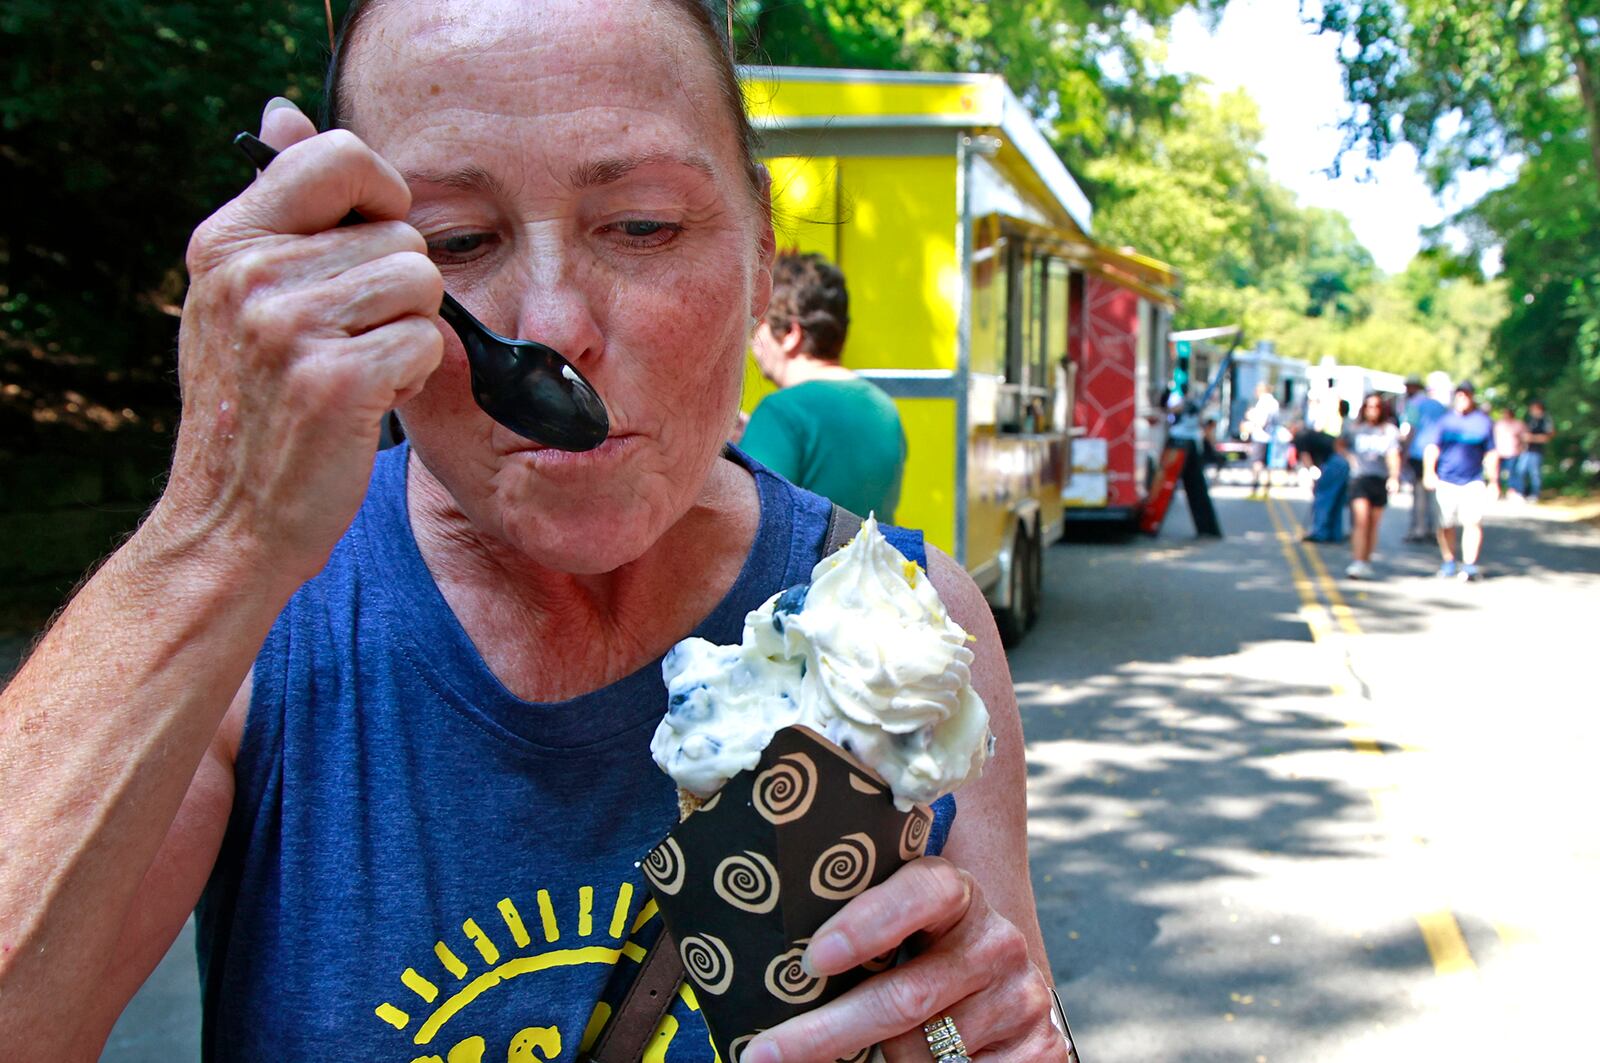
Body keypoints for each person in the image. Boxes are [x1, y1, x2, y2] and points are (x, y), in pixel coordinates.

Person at [0, 4, 1074, 1061]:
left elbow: (986, 1017)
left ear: (759, 245)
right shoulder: (265, 624)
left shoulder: (917, 626)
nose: (553, 325)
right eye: (455, 239)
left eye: (643, 225)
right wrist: (216, 526)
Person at [741, 252, 906, 521]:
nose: (751, 344)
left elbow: (749, 517)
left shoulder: (780, 412)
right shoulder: (883, 406)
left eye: (757, 325)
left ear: (789, 334)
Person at [1423, 381, 1498, 581]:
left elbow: (1491, 453)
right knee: (1445, 523)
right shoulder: (1445, 421)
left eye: (1467, 395)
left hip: (1473, 479)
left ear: (1472, 397)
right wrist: (1429, 473)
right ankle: (1449, 560)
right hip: (1447, 479)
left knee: (1472, 521)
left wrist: (1494, 481)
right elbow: (1432, 448)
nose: (1463, 398)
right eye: (1460, 394)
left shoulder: (1483, 422)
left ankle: (1469, 564)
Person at [1341, 394, 1402, 579]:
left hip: (1379, 479)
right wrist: (1350, 459)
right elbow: (1340, 444)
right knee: (1361, 520)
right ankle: (1357, 561)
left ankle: (1366, 560)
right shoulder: (1356, 429)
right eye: (1369, 406)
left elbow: (1393, 455)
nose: (1372, 410)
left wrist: (1394, 477)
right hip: (1360, 478)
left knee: (1373, 525)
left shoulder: (1389, 431)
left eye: (1376, 407)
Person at [1400, 371, 1450, 543]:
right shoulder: (1439, 406)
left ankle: (1419, 529)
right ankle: (1434, 527)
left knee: (1420, 492)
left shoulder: (1414, 404)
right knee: (1433, 493)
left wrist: (1404, 452)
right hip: (1438, 451)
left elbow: (1410, 429)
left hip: (1419, 452)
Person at [1294, 421, 1347, 543]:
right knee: (1336, 500)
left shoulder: (1300, 438)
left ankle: (1320, 532)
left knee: (1323, 498)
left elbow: (1305, 457)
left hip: (1332, 463)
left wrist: (1314, 476)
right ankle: (1335, 533)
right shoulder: (1312, 434)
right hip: (1340, 460)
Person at [1242, 382, 1281, 496]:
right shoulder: (1274, 402)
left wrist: (1251, 417)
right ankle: (1266, 487)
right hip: (1271, 436)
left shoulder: (1263, 402)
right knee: (1268, 462)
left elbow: (1262, 421)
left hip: (1261, 436)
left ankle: (1255, 485)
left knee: (1257, 462)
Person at [1519, 399, 1554, 501]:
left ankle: (1535, 494)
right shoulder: (1530, 419)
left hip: (1537, 451)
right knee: (1521, 471)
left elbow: (1547, 437)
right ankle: (1523, 493)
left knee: (1535, 473)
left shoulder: (1545, 420)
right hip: (1526, 450)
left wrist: (1532, 438)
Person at [1493, 405, 1527, 500]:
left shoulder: (1518, 424)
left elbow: (1525, 437)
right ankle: (1498, 492)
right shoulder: (1499, 424)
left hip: (1513, 452)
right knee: (1497, 473)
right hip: (1500, 453)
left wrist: (1523, 448)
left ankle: (1512, 492)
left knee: (1512, 473)